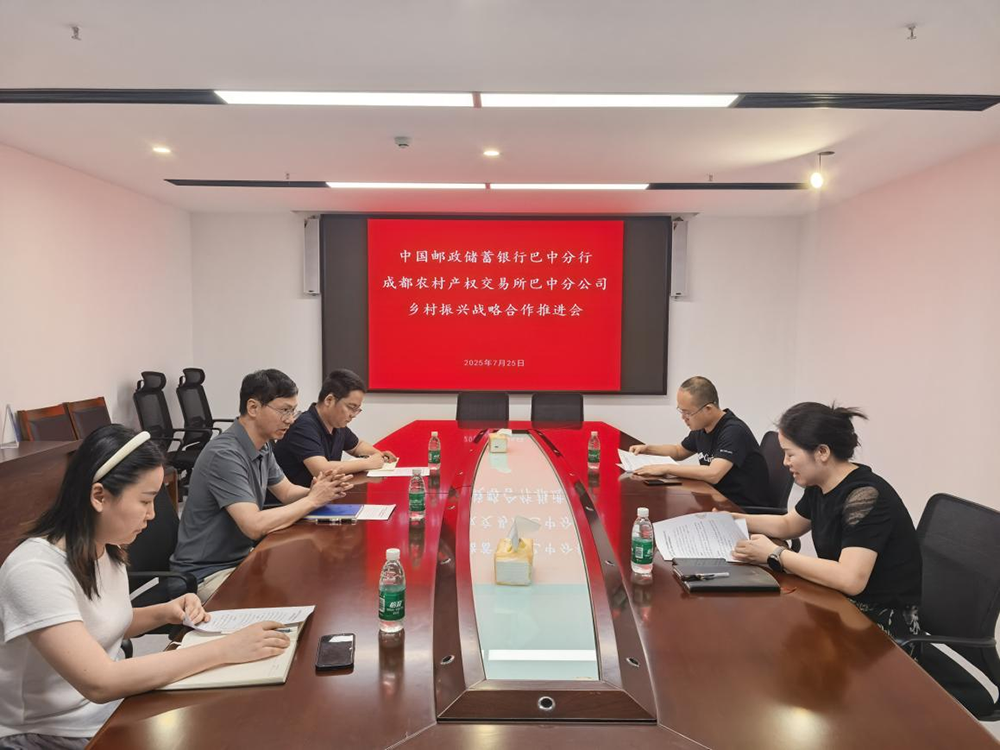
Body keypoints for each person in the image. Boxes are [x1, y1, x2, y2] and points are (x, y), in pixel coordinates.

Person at [0, 425, 291, 748]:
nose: (152, 515)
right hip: (48, 734)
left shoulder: (107, 548)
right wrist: (225, 649)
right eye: (145, 500)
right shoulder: (35, 570)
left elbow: (99, 624)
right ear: (99, 496)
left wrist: (164, 612)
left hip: (108, 711)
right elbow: (100, 681)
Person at [727, 402, 922, 652]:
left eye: (790, 454)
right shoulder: (821, 485)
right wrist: (733, 518)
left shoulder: (865, 496)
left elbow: (850, 579)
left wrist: (775, 554)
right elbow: (788, 524)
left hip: (882, 630)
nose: (785, 462)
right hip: (842, 605)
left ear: (822, 452)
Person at [170, 369, 352, 602]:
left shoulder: (263, 445)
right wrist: (312, 500)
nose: (291, 419)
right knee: (295, 598)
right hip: (207, 574)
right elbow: (253, 526)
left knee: (312, 580)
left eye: (293, 411)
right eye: (284, 410)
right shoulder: (224, 454)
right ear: (253, 407)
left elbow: (286, 492)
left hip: (241, 559)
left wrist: (320, 492)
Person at [629, 376, 770, 508]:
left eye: (688, 413)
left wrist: (666, 468)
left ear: (708, 409)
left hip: (742, 508)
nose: (683, 417)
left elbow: (713, 474)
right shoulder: (702, 428)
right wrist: (647, 449)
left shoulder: (733, 431)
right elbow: (679, 451)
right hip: (717, 500)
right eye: (681, 411)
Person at [273, 369, 397, 486]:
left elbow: (357, 446)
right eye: (351, 407)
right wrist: (368, 463)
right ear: (329, 400)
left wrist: (379, 455)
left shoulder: (337, 425)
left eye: (357, 409)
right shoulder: (303, 426)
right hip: (294, 499)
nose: (353, 415)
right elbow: (321, 469)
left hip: (321, 496)